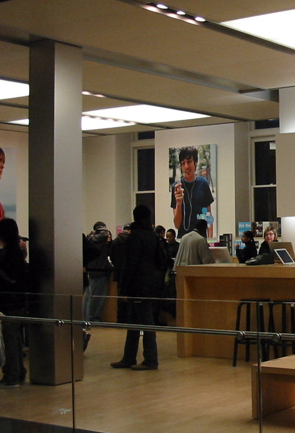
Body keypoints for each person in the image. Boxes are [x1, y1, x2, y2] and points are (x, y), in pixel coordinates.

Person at [111, 205, 168, 371]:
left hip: (137, 284)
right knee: (137, 320)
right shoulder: (153, 236)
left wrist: (124, 287)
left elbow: (130, 263)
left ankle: (149, 359)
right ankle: (130, 357)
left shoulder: (135, 237)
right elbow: (161, 261)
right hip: (151, 284)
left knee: (141, 321)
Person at [0, 217, 28, 388]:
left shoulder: (10, 252)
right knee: (15, 338)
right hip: (17, 301)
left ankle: (12, 374)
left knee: (11, 339)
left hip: (9, 302)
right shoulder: (15, 250)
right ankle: (17, 372)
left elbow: (12, 278)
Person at [171, 146, 214, 238]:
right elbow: (177, 225)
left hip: (201, 238)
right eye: (183, 163)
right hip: (183, 239)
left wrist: (210, 239)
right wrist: (179, 203)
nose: (186, 166)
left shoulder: (203, 183)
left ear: (195, 162)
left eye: (189, 162)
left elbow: (208, 215)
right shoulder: (177, 187)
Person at [83, 221, 112, 323]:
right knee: (97, 298)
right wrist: (104, 229)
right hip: (99, 271)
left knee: (88, 298)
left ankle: (86, 318)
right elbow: (104, 235)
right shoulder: (98, 238)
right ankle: (93, 319)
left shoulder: (90, 238)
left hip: (91, 271)